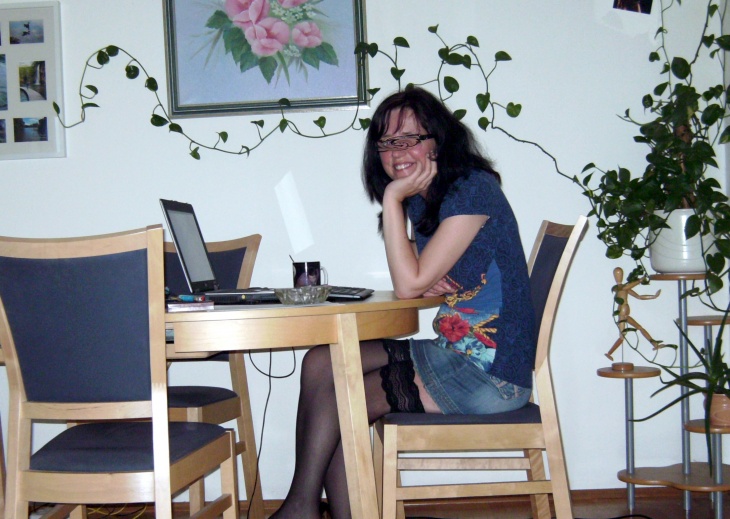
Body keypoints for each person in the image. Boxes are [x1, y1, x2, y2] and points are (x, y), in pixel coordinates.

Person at [270, 87, 536, 519]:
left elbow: (408, 284)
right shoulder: (433, 198)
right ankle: (319, 510)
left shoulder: (472, 191)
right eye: (387, 142)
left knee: (342, 397)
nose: (397, 152)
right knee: (322, 362)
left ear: (438, 141)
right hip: (456, 352)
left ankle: (300, 507)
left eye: (410, 138)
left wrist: (393, 200)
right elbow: (421, 274)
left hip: (490, 375)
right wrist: (425, 272)